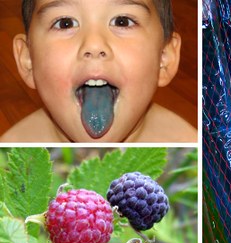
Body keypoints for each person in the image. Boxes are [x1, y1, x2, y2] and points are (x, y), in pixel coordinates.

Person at [0, 0, 197, 142]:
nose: (94, 45)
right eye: (65, 23)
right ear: (28, 61)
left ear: (164, 58)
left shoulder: (192, 145)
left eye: (122, 21)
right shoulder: (10, 152)